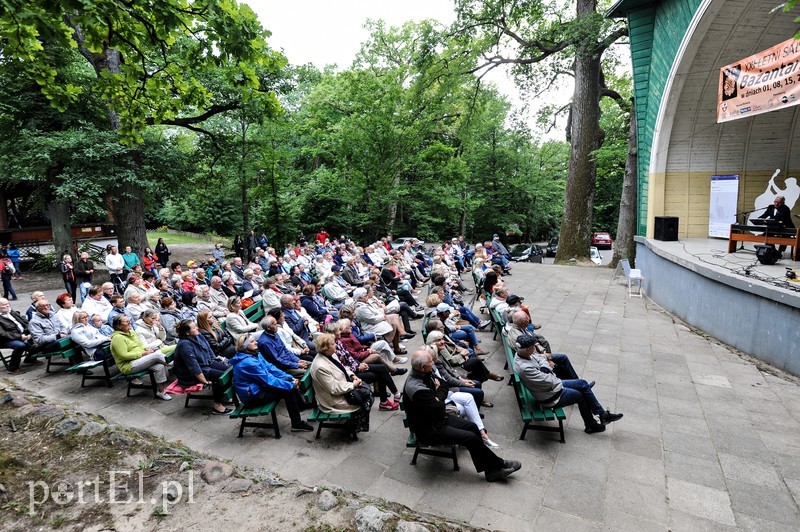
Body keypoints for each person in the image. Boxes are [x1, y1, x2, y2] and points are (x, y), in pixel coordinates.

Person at [403, 350, 521, 482]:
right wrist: (438, 396)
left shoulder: (425, 371)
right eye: (431, 361)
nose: (433, 362)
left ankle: (491, 470)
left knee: (472, 427)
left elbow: (443, 384)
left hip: (438, 419)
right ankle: (498, 464)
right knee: (470, 438)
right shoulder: (417, 388)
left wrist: (437, 396)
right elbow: (439, 406)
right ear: (422, 367)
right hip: (429, 429)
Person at [513, 334, 622, 434]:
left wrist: (545, 367)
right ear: (527, 349)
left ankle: (601, 416)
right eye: (532, 348)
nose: (534, 350)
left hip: (551, 387)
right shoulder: (525, 367)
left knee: (583, 384)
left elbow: (541, 358)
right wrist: (547, 368)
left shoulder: (524, 355)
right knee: (582, 394)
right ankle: (593, 423)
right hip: (550, 395)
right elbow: (549, 379)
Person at [230, 334, 314, 432]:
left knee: (288, 384)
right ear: (245, 346)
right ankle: (297, 424)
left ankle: (301, 406)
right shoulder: (248, 363)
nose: (256, 342)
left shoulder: (254, 353)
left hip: (258, 387)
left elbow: (270, 368)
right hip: (252, 397)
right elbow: (268, 380)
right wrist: (290, 384)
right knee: (288, 390)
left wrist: (287, 377)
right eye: (252, 341)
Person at [310, 333, 372, 433]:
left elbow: (342, 368)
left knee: (367, 391)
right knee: (365, 397)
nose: (336, 345)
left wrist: (352, 376)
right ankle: (355, 426)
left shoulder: (331, 354)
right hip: (333, 399)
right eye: (333, 344)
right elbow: (333, 388)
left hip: (342, 387)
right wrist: (353, 385)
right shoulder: (320, 367)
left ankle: (357, 423)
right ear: (325, 348)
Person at [173, 320, 231, 415]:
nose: (197, 328)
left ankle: (228, 396)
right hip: (190, 375)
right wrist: (205, 381)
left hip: (206, 364)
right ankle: (217, 407)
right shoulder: (184, 345)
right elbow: (193, 367)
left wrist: (216, 362)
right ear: (187, 332)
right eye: (194, 327)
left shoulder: (198, 335)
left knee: (230, 370)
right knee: (220, 377)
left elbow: (209, 351)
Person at [110, 315, 171, 400]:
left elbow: (140, 344)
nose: (129, 322)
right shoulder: (117, 338)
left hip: (140, 360)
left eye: (129, 320)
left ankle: (161, 392)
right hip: (128, 365)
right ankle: (173, 364)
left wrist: (146, 349)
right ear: (119, 326)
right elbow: (123, 355)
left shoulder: (131, 331)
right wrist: (143, 353)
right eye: (127, 322)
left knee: (159, 366)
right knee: (157, 355)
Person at [0, 297, 37, 373]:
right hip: (5, 340)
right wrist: (20, 337)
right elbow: (2, 334)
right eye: (4, 305)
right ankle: (13, 368)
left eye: (7, 304)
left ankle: (30, 359)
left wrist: (31, 331)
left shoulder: (11, 312)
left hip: (22, 334)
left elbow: (24, 321)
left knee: (39, 338)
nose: (7, 306)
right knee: (20, 345)